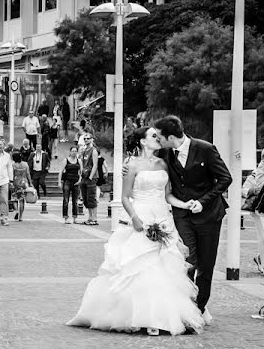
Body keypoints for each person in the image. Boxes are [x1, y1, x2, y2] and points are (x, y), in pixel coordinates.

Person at [67, 127, 206, 336]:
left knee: (166, 268)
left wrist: (185, 205)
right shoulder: (131, 165)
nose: (157, 138)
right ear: (142, 141)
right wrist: (135, 218)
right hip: (140, 214)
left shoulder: (163, 164)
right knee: (139, 266)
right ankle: (139, 316)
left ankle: (161, 316)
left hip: (162, 216)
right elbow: (125, 196)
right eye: (152, 136)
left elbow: (167, 195)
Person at [154, 115, 233, 323]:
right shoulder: (164, 152)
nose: (158, 140)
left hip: (208, 215)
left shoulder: (205, 148)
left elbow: (226, 178)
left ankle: (199, 307)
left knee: (206, 265)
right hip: (182, 215)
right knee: (187, 261)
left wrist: (203, 201)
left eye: (160, 137)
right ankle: (185, 309)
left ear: (171, 137)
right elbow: (144, 156)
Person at [241, 146, 264, 278]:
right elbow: (244, 190)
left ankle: (260, 258)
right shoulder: (257, 172)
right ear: (263, 159)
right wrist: (252, 190)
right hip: (259, 208)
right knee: (263, 237)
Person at [78, 132, 100, 226]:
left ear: (91, 139)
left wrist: (91, 176)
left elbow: (95, 164)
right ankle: (90, 217)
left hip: (91, 177)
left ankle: (94, 218)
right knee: (86, 199)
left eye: (88, 138)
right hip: (84, 176)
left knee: (91, 198)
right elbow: (81, 163)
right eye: (85, 139)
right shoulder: (84, 150)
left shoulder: (93, 150)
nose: (86, 140)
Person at [59, 146, 83, 225]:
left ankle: (75, 217)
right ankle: (66, 217)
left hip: (76, 182)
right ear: (70, 152)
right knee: (66, 200)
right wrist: (59, 181)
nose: (74, 152)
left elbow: (81, 172)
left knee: (75, 201)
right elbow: (61, 171)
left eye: (75, 151)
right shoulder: (66, 160)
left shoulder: (79, 161)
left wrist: (80, 180)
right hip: (67, 181)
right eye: (72, 151)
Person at [11, 152, 31, 221]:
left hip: (16, 182)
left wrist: (10, 182)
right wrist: (30, 183)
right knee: (22, 200)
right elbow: (28, 174)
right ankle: (21, 216)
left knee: (15, 199)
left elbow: (12, 174)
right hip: (24, 182)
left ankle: (16, 211)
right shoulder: (25, 164)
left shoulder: (13, 165)